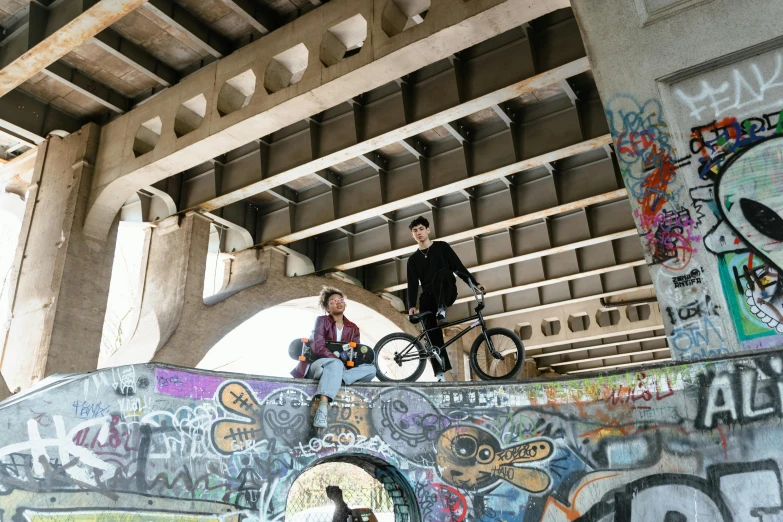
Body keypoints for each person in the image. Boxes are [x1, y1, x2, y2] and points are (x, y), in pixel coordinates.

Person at [407, 216, 484, 382]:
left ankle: (441, 312)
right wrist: (411, 305)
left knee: (444, 273)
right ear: (412, 235)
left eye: (421, 229)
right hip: (428, 297)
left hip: (446, 289)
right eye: (415, 231)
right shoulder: (413, 260)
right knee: (432, 336)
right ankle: (440, 373)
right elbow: (412, 284)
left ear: (428, 230)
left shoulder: (442, 247)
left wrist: (475, 284)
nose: (418, 233)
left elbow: (458, 267)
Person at [291, 286, 375, 429]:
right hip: (319, 364)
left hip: (339, 369)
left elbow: (356, 355)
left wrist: (347, 364)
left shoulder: (353, 328)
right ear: (327, 307)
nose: (338, 302)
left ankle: (334, 377)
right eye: (333, 301)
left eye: (340, 299)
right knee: (335, 365)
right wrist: (337, 362)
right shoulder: (322, 321)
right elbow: (318, 347)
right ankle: (322, 409)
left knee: (372, 369)